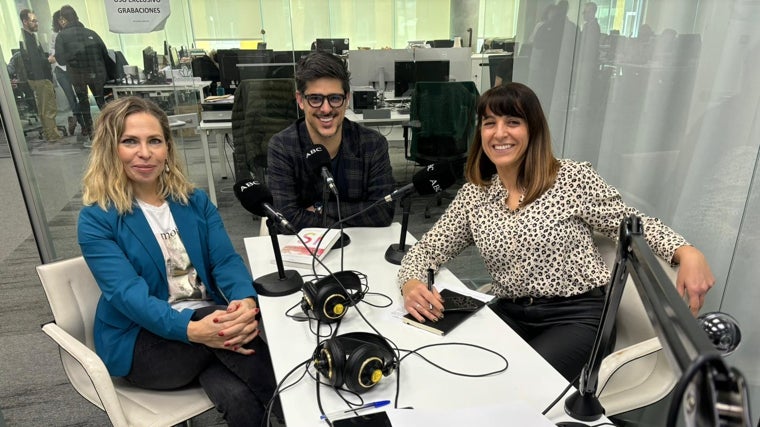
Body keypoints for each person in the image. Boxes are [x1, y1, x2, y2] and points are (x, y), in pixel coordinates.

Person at [397, 83, 715, 381]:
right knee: (447, 365)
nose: (499, 133)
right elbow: (426, 250)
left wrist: (687, 251)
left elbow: (631, 225)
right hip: (510, 309)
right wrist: (412, 283)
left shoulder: (571, 179)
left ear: (533, 129)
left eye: (513, 122)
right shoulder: (477, 194)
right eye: (489, 122)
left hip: (574, 317)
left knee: (517, 383)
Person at [77, 96, 281, 426]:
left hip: (213, 332)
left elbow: (225, 261)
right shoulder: (97, 219)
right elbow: (129, 296)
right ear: (110, 148)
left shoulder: (195, 202)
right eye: (130, 141)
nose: (145, 153)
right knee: (227, 328)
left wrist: (245, 301)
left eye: (154, 141)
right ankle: (303, 414)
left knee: (240, 397)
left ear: (167, 148)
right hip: (143, 344)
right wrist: (191, 330)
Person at [267, 51, 395, 231]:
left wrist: (319, 209)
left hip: (361, 245)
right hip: (305, 249)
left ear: (347, 99)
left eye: (335, 98)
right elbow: (286, 219)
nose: (326, 109)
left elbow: (383, 212)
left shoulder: (372, 144)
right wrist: (357, 214)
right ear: (300, 100)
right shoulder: (283, 146)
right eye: (315, 99)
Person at [54, 5, 112, 140]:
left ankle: (91, 132)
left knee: (83, 101)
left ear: (63, 19)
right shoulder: (91, 33)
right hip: (96, 73)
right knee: (101, 100)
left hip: (77, 75)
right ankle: (111, 128)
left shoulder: (61, 36)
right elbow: (104, 53)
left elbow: (61, 60)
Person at [18, 9, 62, 142]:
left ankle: (51, 135)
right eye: (33, 21)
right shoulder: (27, 39)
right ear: (25, 22)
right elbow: (34, 61)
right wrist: (49, 60)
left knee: (44, 107)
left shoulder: (30, 36)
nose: (36, 23)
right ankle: (53, 137)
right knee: (47, 108)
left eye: (36, 20)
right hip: (39, 78)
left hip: (38, 77)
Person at [49, 9, 81, 137]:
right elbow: (53, 55)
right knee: (71, 98)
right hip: (61, 70)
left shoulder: (74, 32)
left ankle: (77, 120)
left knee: (81, 96)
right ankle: (80, 122)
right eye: (60, 20)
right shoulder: (54, 35)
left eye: (64, 19)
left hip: (74, 69)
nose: (62, 22)